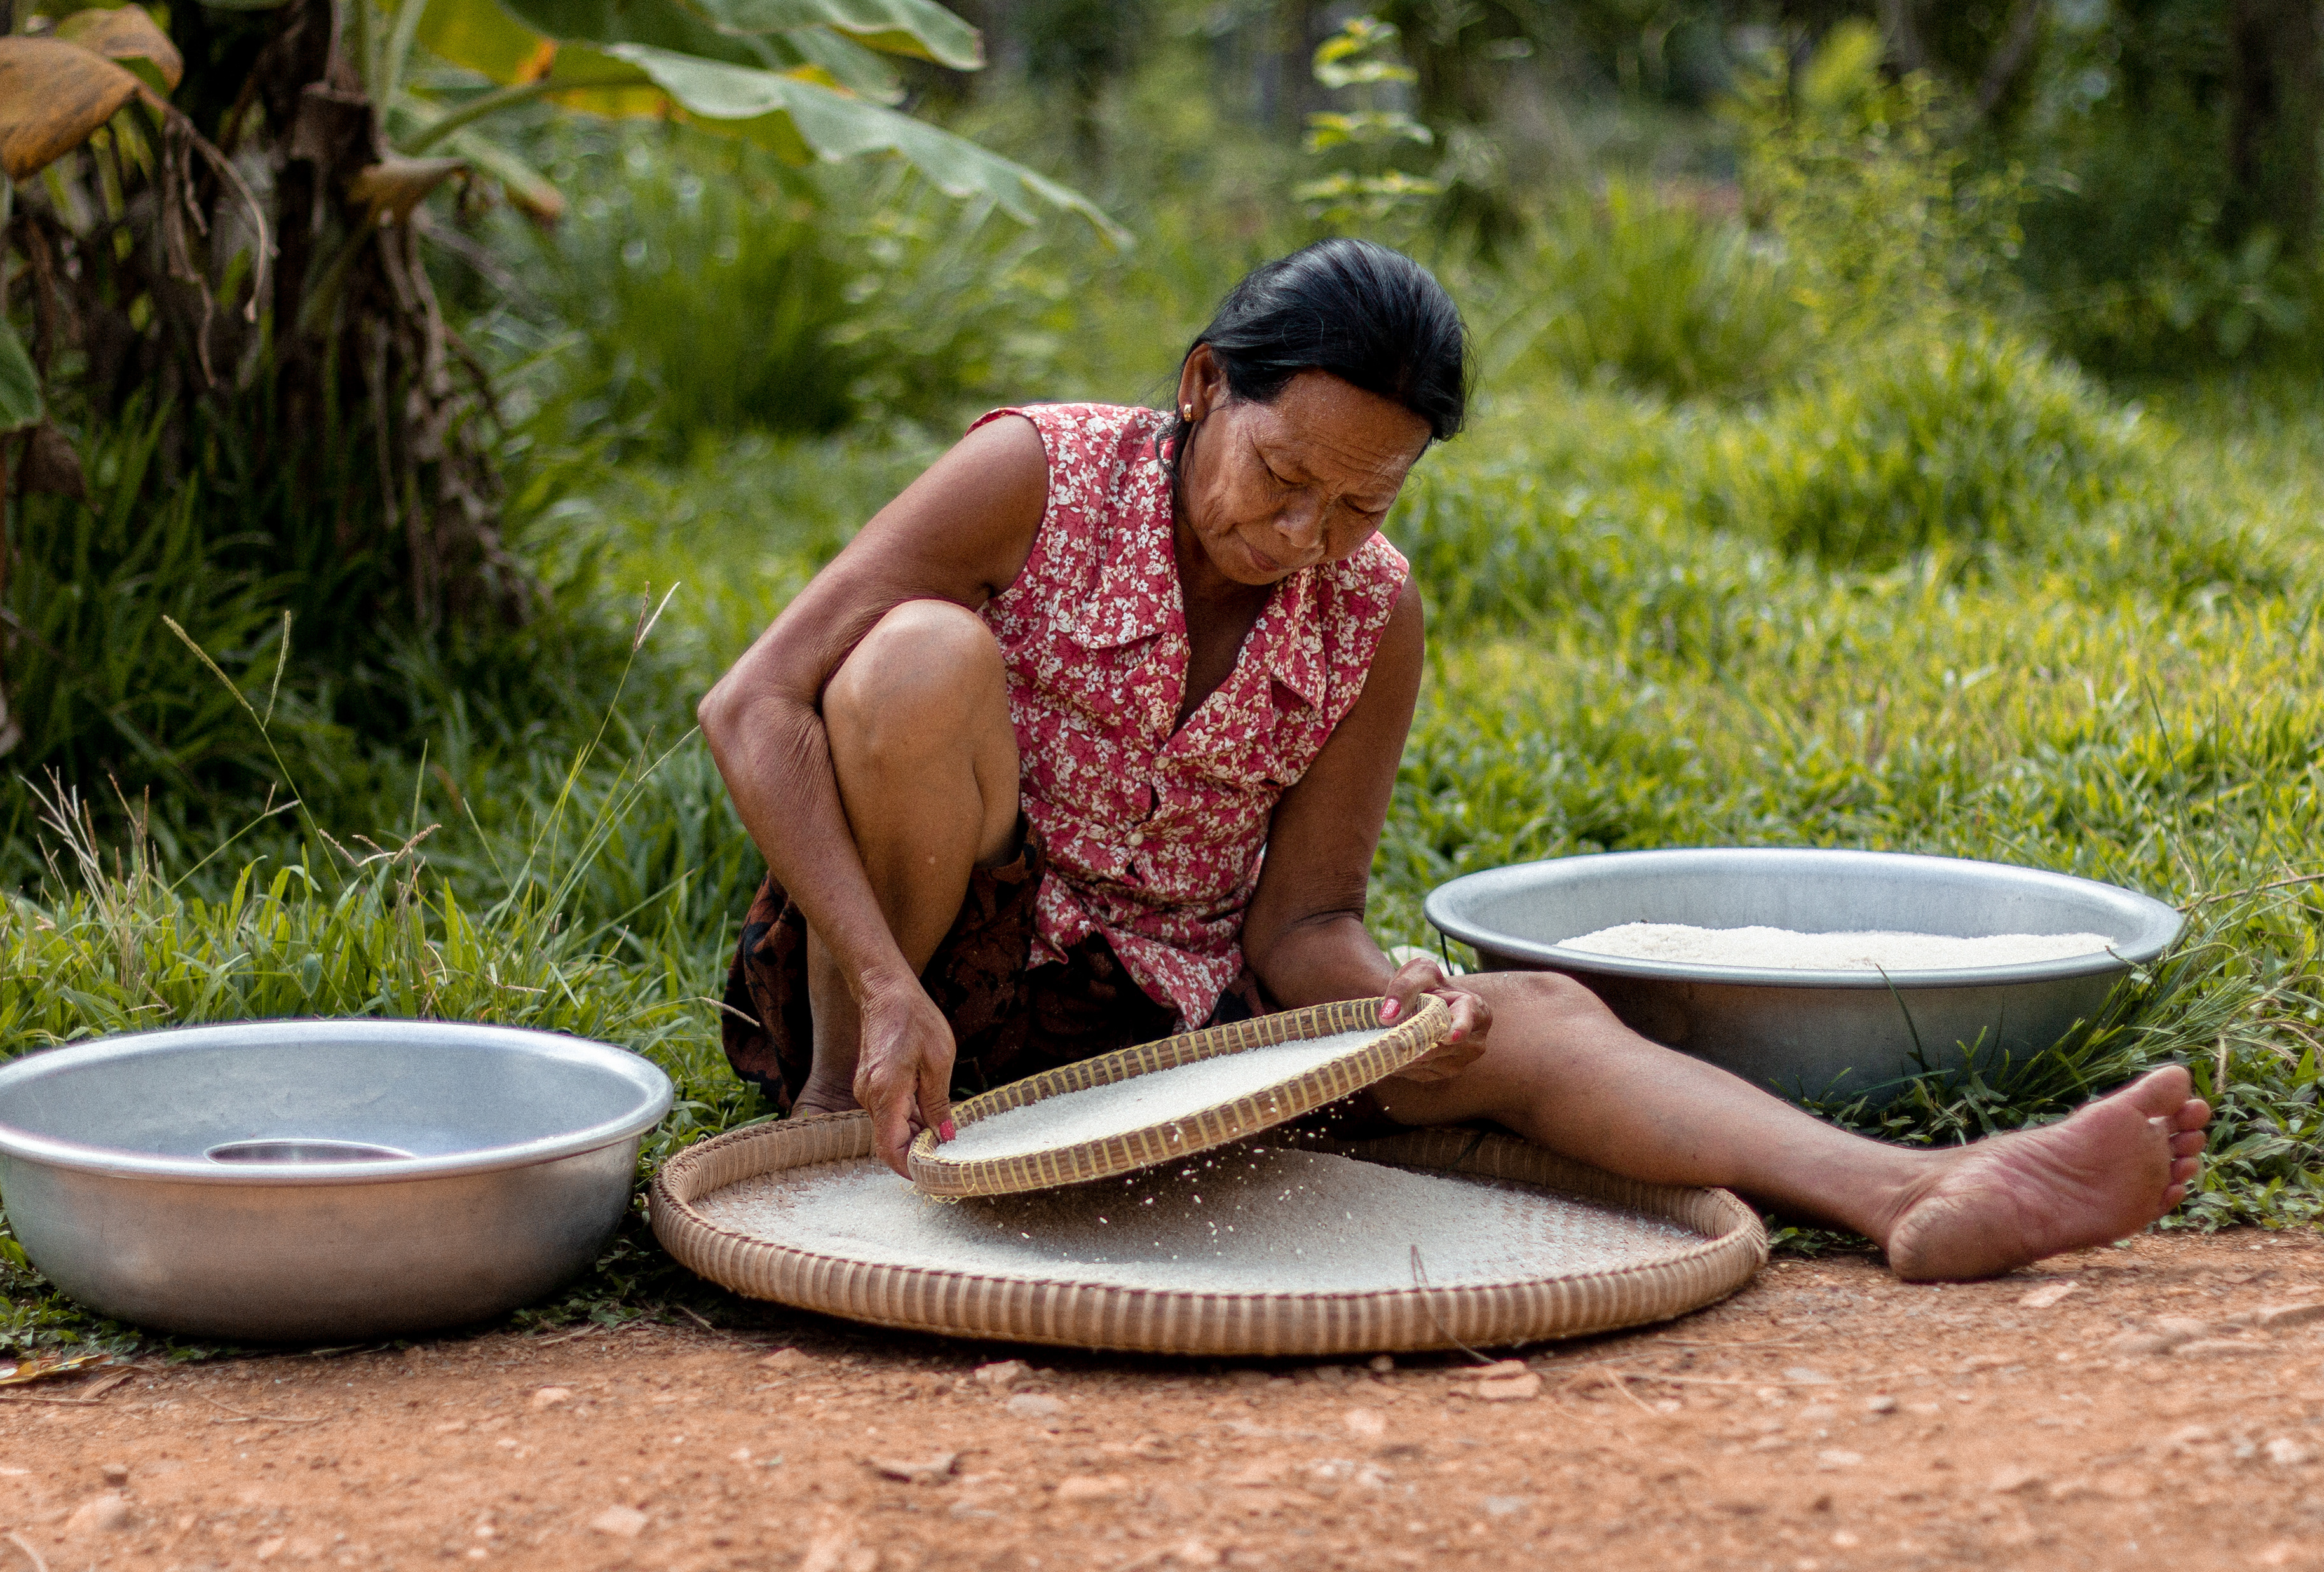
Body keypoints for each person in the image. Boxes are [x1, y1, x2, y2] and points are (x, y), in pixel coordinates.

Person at [698, 237, 2209, 1282]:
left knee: (1529, 1015)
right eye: (1283, 476)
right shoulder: (1038, 472)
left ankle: (1920, 1191)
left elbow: (1299, 926)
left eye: (1357, 506)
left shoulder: (1371, 610)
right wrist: (887, 988)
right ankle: (840, 1113)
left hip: (1174, 1034)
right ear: (1208, 380)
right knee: (910, 658)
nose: (1305, 537)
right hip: (923, 984)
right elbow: (753, 702)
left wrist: (1390, 1004)